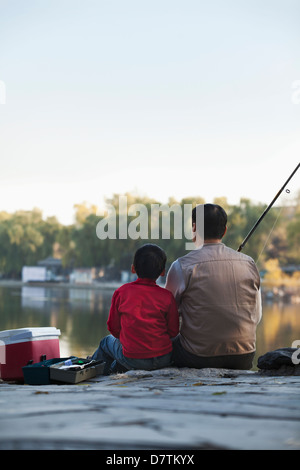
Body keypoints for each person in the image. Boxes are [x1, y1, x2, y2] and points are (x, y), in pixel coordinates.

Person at [165, 203, 262, 370]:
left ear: (194, 228)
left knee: (156, 346)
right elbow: (257, 316)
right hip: (244, 357)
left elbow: (164, 316)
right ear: (224, 231)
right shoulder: (249, 263)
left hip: (197, 357)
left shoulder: (181, 265)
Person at [91, 243, 179, 375]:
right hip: (163, 359)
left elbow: (113, 328)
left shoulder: (122, 292)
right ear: (162, 272)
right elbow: (173, 331)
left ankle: (96, 375)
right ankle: (116, 367)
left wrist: (129, 339)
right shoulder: (167, 296)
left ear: (133, 268)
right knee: (120, 354)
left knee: (105, 343)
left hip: (133, 358)